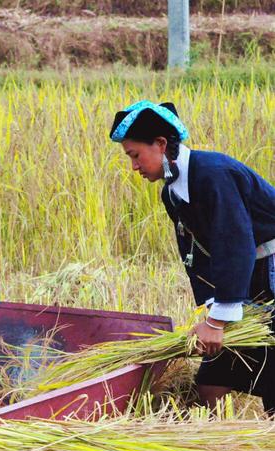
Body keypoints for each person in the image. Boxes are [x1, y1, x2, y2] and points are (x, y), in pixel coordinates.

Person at [109, 100, 275, 413]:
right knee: (211, 381)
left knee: (272, 368)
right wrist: (212, 305)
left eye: (135, 155)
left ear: (160, 144)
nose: (133, 166)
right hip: (244, 275)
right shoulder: (171, 191)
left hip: (268, 270)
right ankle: (218, 447)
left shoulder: (213, 175)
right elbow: (194, 254)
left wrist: (218, 320)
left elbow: (234, 244)